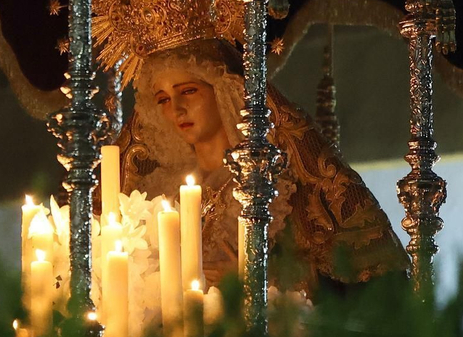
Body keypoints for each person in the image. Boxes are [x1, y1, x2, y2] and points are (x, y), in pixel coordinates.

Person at [122, 37, 406, 296]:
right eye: (163, 100)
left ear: (222, 90)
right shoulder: (162, 191)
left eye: (189, 91)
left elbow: (348, 282)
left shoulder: (274, 185)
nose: (177, 109)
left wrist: (259, 280)